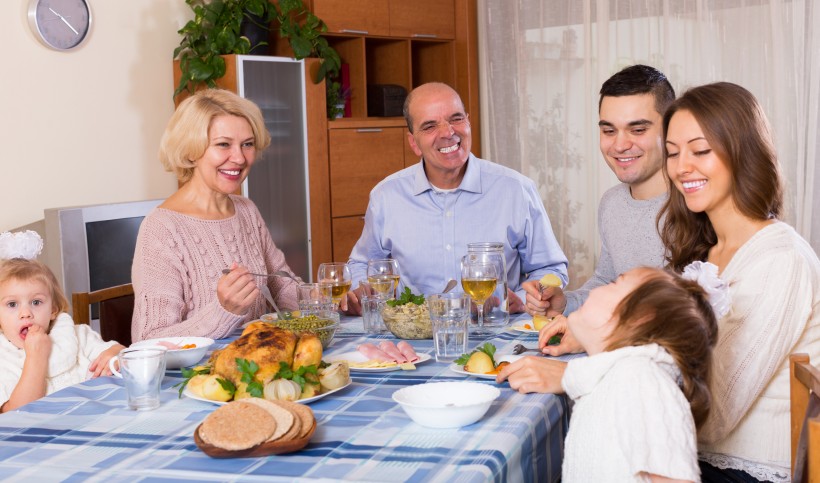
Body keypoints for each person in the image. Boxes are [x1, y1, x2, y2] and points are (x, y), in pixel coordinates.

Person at [661, 82, 820, 482]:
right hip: (703, 455)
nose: (682, 167)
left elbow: (714, 415)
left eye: (700, 151)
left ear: (742, 153)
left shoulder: (780, 259)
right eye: (672, 153)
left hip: (750, 471)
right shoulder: (709, 251)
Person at [345, 82, 568, 315]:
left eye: (456, 119)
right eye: (430, 126)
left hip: (495, 330)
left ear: (468, 122)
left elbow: (550, 268)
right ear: (414, 143)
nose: (447, 132)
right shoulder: (386, 196)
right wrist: (364, 289)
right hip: (412, 336)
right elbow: (362, 264)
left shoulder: (517, 190)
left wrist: (522, 300)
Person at [523, 64, 674, 355]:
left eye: (638, 129)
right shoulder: (612, 203)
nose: (620, 145)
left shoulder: (695, 205)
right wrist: (565, 303)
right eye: (609, 130)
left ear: (669, 128)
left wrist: (599, 336)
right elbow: (606, 282)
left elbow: (685, 318)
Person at [132, 89, 299, 342]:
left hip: (259, 360)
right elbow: (150, 339)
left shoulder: (246, 210)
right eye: (223, 144)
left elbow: (282, 285)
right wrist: (224, 311)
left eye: (247, 144)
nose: (240, 158)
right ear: (191, 151)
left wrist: (329, 299)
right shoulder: (163, 228)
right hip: (201, 377)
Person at [525, 267, 717, 482]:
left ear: (640, 319)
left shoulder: (642, 380)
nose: (600, 287)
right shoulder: (619, 376)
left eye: (614, 283)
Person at [0, 231, 124, 413]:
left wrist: (116, 353)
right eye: (12, 304)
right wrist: (36, 357)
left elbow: (120, 356)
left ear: (53, 309)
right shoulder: (4, 358)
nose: (25, 313)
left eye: (36, 302)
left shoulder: (78, 335)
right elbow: (17, 413)